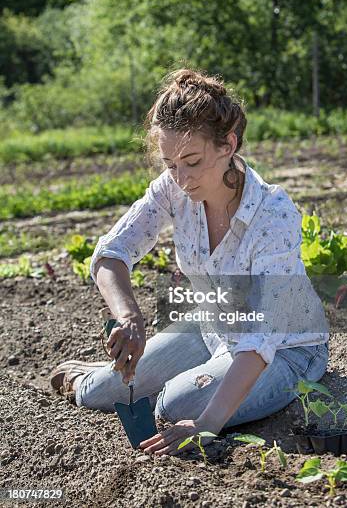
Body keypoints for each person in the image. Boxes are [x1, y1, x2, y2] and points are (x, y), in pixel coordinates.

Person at [50, 68, 329, 456]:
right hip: (213, 327)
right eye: (169, 165)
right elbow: (111, 253)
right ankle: (96, 377)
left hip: (285, 349)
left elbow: (261, 337)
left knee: (176, 404)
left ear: (227, 144)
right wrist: (130, 318)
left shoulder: (273, 214)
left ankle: (181, 388)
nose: (181, 179)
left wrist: (206, 425)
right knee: (96, 394)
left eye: (192, 162)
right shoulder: (174, 188)